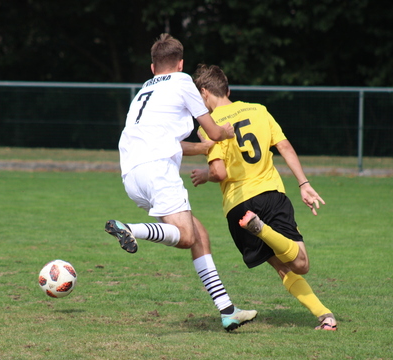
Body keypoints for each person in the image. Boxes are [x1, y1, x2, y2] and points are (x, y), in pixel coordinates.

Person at [104, 34, 257, 331]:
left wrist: (201, 149)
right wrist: (225, 133)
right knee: (186, 236)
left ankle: (227, 310)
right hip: (158, 170)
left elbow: (169, 142)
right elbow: (213, 131)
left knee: (199, 233)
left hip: (132, 174)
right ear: (181, 63)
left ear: (152, 68)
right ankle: (130, 229)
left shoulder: (141, 94)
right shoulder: (183, 81)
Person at [182, 64, 337, 331]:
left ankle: (325, 316)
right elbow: (284, 146)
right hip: (270, 194)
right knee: (301, 263)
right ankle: (325, 316)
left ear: (205, 93)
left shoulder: (209, 126)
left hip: (238, 207)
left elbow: (219, 172)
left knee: (283, 267)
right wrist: (304, 183)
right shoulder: (259, 110)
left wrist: (206, 176)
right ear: (227, 90)